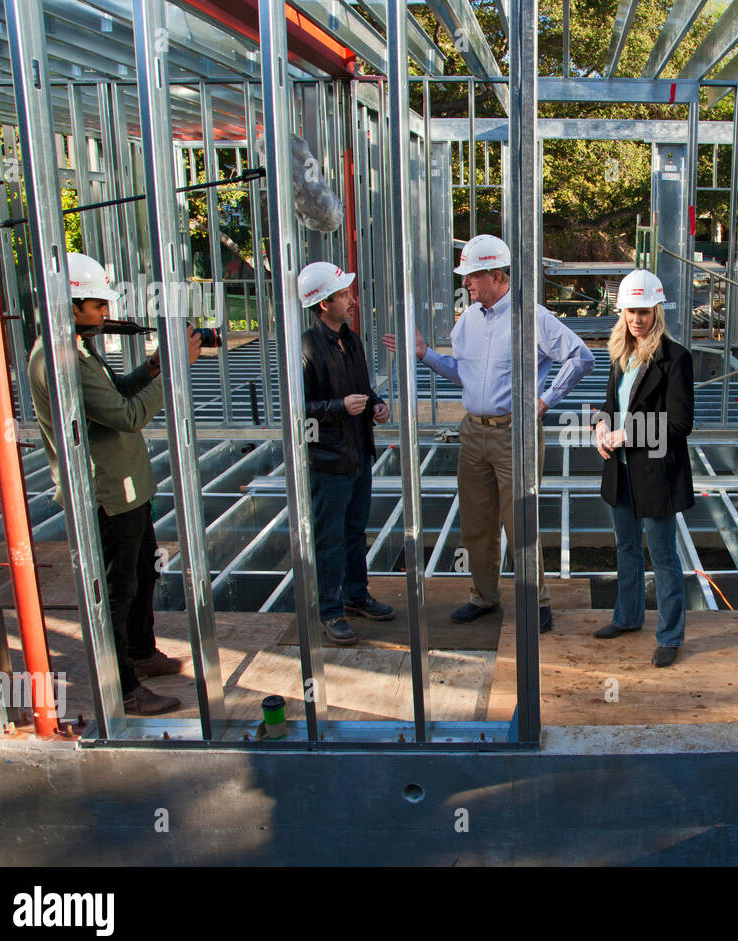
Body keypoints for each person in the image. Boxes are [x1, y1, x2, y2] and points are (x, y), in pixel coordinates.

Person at [384, 234, 594, 632]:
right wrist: (425, 355)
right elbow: (462, 374)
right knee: (477, 522)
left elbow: (581, 357)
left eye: (473, 276)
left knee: (520, 522)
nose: (465, 283)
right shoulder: (468, 323)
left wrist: (543, 401)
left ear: (497, 276)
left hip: (514, 434)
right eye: (465, 276)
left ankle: (536, 601)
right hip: (473, 433)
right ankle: (484, 596)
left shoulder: (531, 317)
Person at [28, 253, 200, 716]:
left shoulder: (78, 349)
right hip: (108, 492)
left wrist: (152, 369)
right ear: (71, 304)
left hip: (129, 486)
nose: (105, 314)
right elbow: (127, 415)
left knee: (144, 572)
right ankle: (123, 687)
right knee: (117, 589)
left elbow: (115, 395)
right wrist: (176, 373)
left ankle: (141, 654)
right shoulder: (61, 360)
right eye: (97, 305)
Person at [593, 270, 695, 667]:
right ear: (622, 314)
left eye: (644, 312)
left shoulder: (676, 359)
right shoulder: (622, 353)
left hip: (656, 476)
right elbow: (609, 403)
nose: (637, 320)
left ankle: (670, 636)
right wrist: (600, 425)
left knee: (664, 556)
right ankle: (628, 617)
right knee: (626, 548)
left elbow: (680, 424)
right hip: (620, 472)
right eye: (630, 313)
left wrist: (624, 436)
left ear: (657, 311)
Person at [298, 261, 394, 645]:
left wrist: (376, 404)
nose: (352, 300)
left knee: (355, 531)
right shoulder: (306, 347)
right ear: (323, 304)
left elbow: (363, 388)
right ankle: (329, 610)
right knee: (330, 538)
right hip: (328, 461)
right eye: (343, 295)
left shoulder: (349, 339)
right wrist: (339, 407)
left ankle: (356, 596)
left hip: (358, 454)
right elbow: (296, 410)